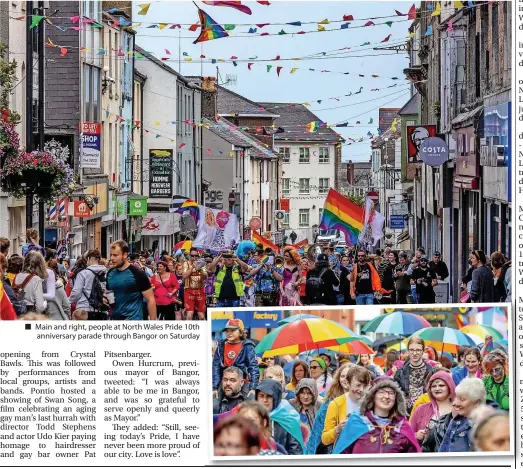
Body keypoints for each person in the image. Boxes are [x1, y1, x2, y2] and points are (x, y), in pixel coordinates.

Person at [333, 380, 420, 454]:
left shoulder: (402, 426)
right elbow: (341, 456)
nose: (386, 396)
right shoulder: (357, 422)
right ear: (373, 396)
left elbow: (415, 459)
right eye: (382, 392)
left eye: (391, 393)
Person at [422, 378, 486, 453]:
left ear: (477, 403)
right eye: (456, 398)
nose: (456, 403)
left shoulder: (488, 424)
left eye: (461, 399)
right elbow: (443, 452)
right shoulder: (455, 421)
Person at [321, 366, 372, 447]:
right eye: (358, 385)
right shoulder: (336, 404)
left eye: (365, 385)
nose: (361, 389)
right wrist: (337, 429)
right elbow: (325, 439)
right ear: (348, 383)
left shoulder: (372, 403)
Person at [106, 240, 157, 321]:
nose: (112, 258)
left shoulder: (138, 273)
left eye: (115, 255)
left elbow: (150, 299)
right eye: (111, 255)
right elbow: (109, 294)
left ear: (125, 255)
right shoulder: (110, 273)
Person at [212, 319, 259, 398]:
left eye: (233, 330)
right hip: (224, 381)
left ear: (241, 332)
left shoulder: (247, 346)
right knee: (215, 405)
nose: (229, 333)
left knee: (249, 404)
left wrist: (253, 387)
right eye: (227, 331)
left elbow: (253, 367)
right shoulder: (221, 345)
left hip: (242, 381)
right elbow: (215, 367)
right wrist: (214, 387)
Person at [255, 378, 304, 455]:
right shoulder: (250, 417)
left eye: (269, 396)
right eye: (261, 396)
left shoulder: (289, 418)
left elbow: (295, 452)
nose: (265, 400)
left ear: (276, 398)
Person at [409, 370, 455, 442]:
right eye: (433, 386)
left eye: (441, 385)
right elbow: (407, 435)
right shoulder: (421, 409)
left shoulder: (458, 409)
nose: (437, 388)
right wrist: (416, 435)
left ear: (449, 387)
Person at [394, 336, 434, 413]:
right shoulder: (400, 373)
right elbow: (396, 397)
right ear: (408, 351)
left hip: (426, 413)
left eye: (418, 350)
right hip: (406, 414)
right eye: (412, 350)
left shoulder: (432, 372)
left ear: (423, 351)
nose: (415, 353)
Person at [68, 249, 108, 320]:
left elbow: (76, 292)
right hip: (102, 310)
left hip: (84, 309)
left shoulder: (83, 274)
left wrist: (68, 301)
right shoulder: (106, 274)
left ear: (89, 258)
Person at [182, 247, 208, 320]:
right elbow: (184, 275)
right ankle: (189, 331)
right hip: (189, 291)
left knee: (202, 316)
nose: (194, 257)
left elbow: (206, 276)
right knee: (189, 315)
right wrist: (192, 267)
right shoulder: (185, 264)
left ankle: (203, 331)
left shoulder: (202, 264)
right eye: (192, 256)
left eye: (196, 256)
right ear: (189, 256)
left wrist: (200, 269)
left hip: (200, 291)